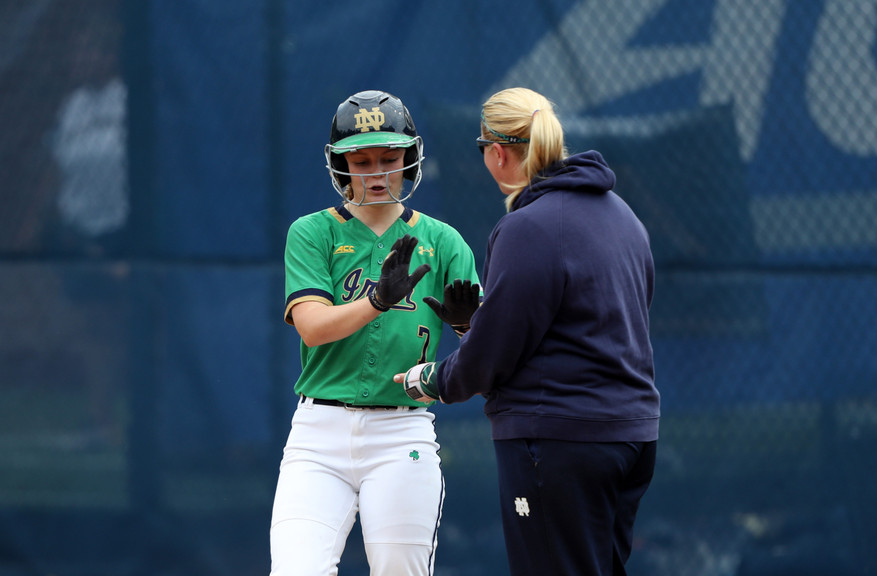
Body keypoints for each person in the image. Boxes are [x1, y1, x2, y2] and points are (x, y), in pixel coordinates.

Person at [396, 87, 660, 576]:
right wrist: (471, 327)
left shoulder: (528, 227)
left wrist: (434, 379)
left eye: (482, 148)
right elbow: (578, 325)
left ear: (497, 152)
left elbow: (495, 352)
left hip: (559, 442)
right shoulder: (624, 218)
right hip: (632, 437)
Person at [270, 90, 480, 576]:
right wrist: (376, 301)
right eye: (361, 161)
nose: (378, 172)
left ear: (410, 159)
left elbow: (489, 351)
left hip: (401, 428)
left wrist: (470, 325)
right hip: (318, 433)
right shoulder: (312, 232)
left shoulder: (444, 241)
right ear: (339, 166)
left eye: (390, 158)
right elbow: (312, 327)